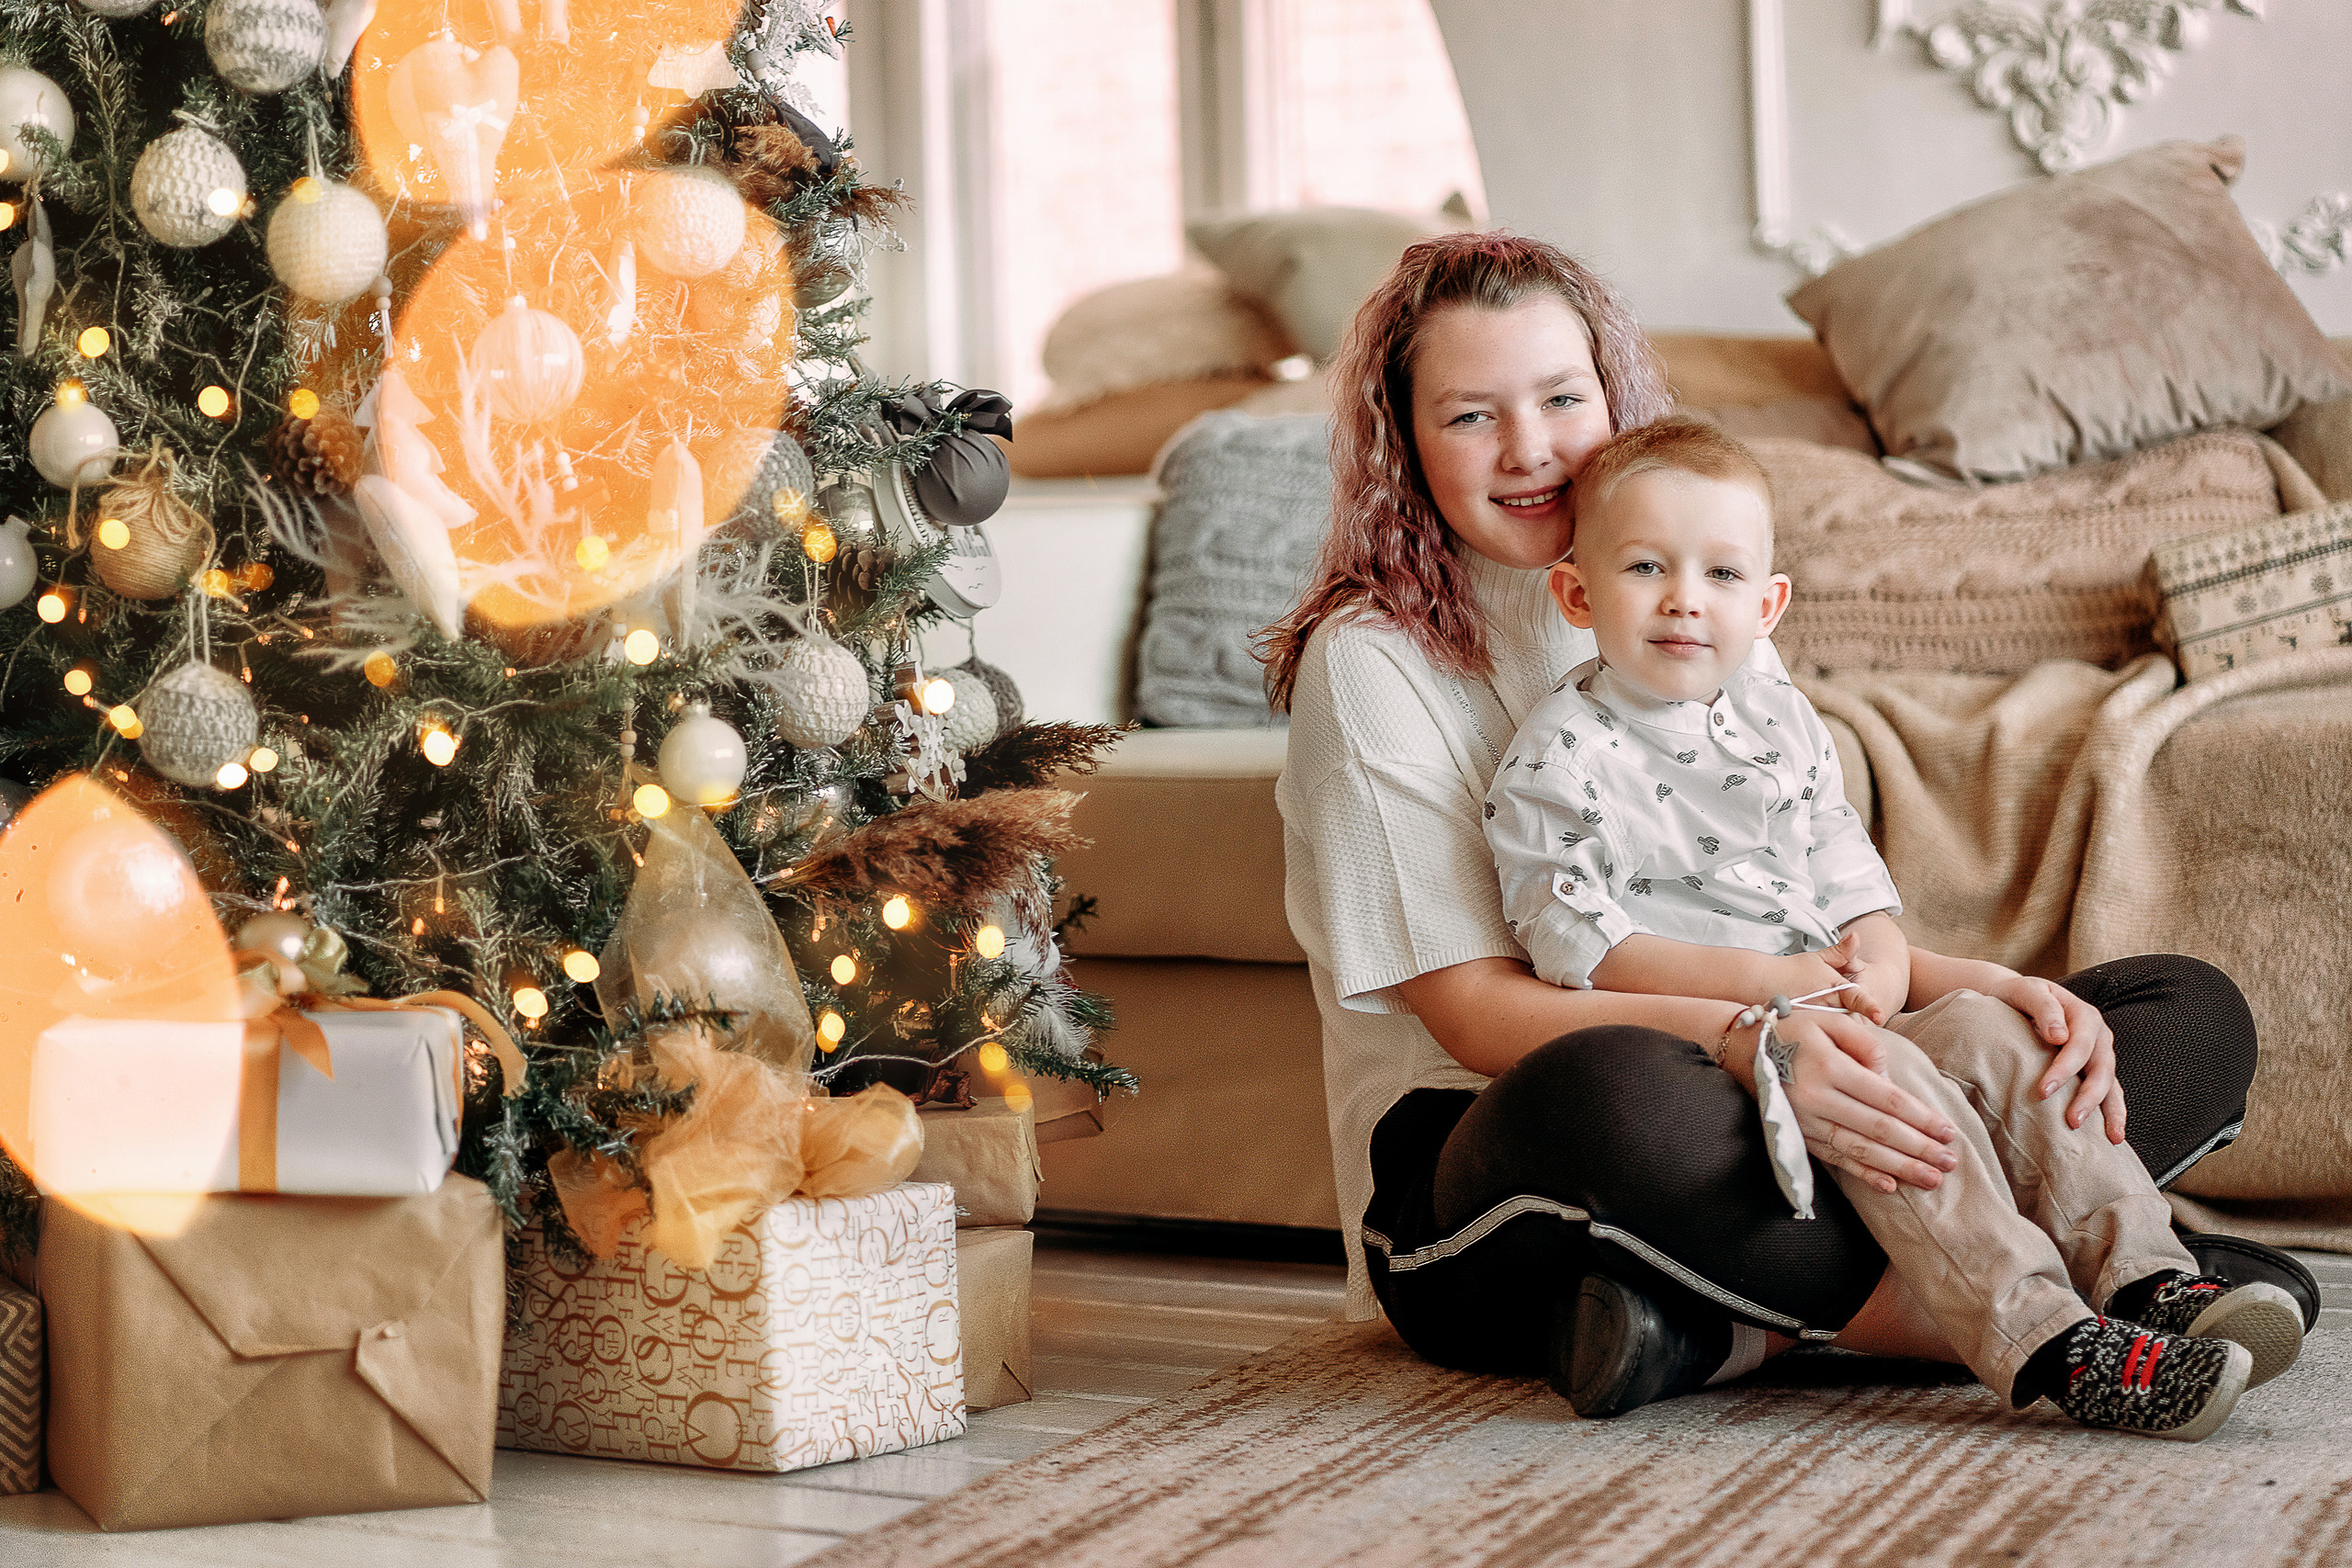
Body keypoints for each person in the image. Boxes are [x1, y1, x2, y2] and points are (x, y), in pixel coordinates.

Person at [1259, 230, 2299, 1422]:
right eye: (1470, 416)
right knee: (1611, 1089)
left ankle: (1706, 1325)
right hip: (1507, 1153)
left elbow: (1813, 911)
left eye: (1561, 395)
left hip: (1769, 1059)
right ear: (1404, 441)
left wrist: (1982, 985)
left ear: (1615, 394)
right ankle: (2046, 1295)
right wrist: (1759, 1036)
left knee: (2174, 1013)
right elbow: (1481, 1011)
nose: (1534, 446)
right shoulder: (1373, 661)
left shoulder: (1696, 592)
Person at [1479, 417, 2302, 1438]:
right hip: (1714, 1055)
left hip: (1834, 1010)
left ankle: (2146, 1279)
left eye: (1722, 574)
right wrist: (1769, 982)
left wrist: (1883, 952)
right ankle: (2049, 1336)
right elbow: (1580, 948)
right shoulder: (1557, 762)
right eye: (1646, 567)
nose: (1686, 598)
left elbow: (1839, 868)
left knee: (1996, 1038)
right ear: (1576, 592)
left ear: (1768, 603)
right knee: (1892, 1073)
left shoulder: (1775, 715)